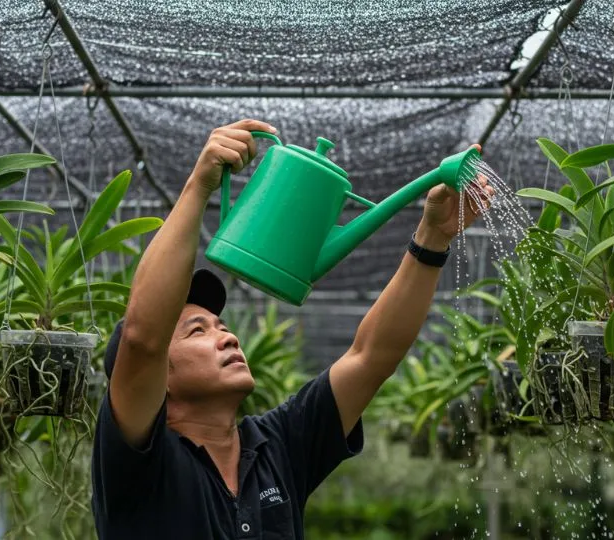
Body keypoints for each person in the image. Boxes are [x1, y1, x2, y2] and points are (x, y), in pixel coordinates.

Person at [90, 119, 494, 539]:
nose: (227, 336)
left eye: (221, 325)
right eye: (197, 332)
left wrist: (433, 238)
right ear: (160, 380)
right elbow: (142, 338)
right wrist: (198, 186)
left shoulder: (278, 445)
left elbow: (370, 357)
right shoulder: (139, 463)